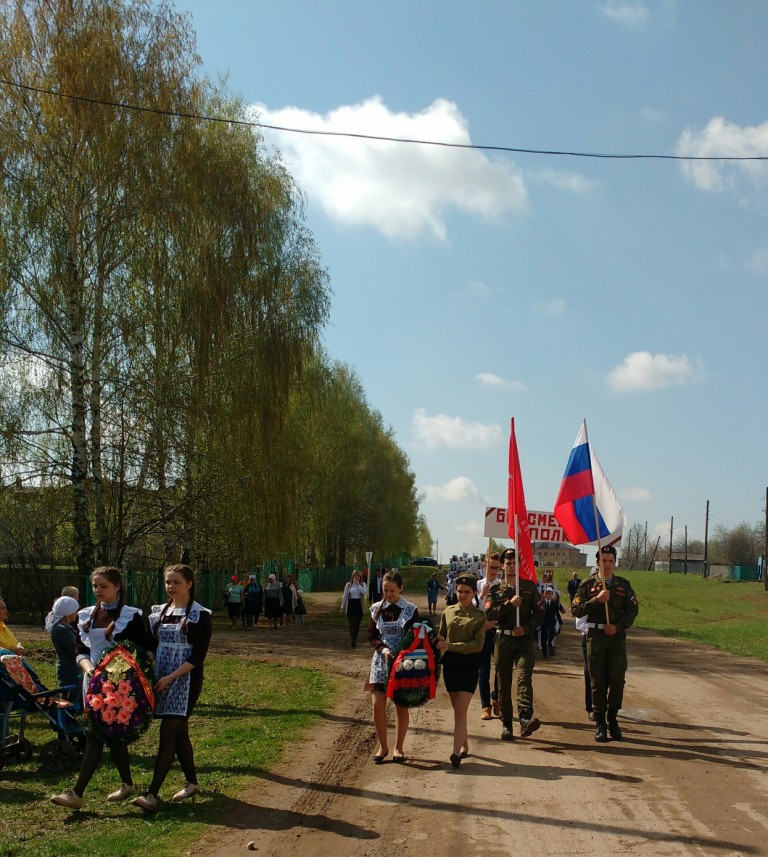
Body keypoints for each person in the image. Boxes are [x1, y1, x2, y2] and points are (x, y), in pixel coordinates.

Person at [51, 566, 154, 810]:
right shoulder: (86, 615)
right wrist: (89, 669)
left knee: (95, 736)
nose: (98, 590)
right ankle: (127, 783)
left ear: (117, 586)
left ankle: (76, 793)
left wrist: (137, 670)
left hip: (119, 686)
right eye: (95, 586)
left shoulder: (131, 615)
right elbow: (80, 650)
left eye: (103, 586)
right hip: (92, 682)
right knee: (112, 735)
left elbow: (147, 647)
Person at [131, 564, 212, 812]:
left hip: (185, 680)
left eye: (176, 582)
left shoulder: (201, 615)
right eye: (168, 582)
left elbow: (198, 656)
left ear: (189, 584)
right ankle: (192, 782)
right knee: (179, 734)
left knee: (168, 733)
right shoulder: (158, 613)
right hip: (161, 678)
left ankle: (151, 793)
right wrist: (150, 660)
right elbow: (151, 644)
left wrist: (171, 677)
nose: (171, 587)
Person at [571, 544, 639, 742]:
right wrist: (596, 601)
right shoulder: (587, 585)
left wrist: (618, 627)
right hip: (596, 637)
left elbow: (632, 610)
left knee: (617, 680)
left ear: (615, 562)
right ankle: (600, 723)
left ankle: (613, 718)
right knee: (597, 682)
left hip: (616, 638)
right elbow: (576, 610)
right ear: (597, 562)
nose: (607, 564)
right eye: (603, 561)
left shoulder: (623, 585)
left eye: (610, 561)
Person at [485, 548, 544, 741]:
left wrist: (527, 628)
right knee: (503, 682)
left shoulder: (528, 587)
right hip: (503, 640)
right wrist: (510, 604)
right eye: (508, 563)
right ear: (503, 565)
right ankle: (507, 723)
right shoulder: (495, 589)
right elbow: (490, 614)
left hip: (523, 640)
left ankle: (525, 717)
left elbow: (541, 613)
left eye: (514, 563)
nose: (511, 566)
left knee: (524, 677)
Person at [366, 570, 418, 764]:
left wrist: (402, 652)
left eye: (392, 591)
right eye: (385, 590)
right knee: (377, 704)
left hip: (403, 660)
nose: (388, 594)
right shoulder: (376, 609)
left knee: (400, 704)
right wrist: (384, 649)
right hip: (381, 660)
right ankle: (383, 747)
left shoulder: (410, 609)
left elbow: (414, 635)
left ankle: (398, 748)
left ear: (400, 588)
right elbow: (372, 636)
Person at [436, 573, 486, 768]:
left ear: (474, 592)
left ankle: (455, 752)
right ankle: (464, 744)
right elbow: (441, 637)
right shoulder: (448, 612)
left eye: (467, 592)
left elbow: (477, 645)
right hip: (451, 665)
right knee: (458, 711)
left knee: (459, 709)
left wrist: (450, 646)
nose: (462, 595)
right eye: (459, 591)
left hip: (469, 665)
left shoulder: (479, 616)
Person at [476, 553, 503, 720]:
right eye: (490, 567)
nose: (493, 570)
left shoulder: (503, 586)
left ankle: (496, 697)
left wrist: (495, 622)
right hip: (482, 632)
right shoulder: (478, 585)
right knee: (483, 670)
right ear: (485, 566)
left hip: (498, 631)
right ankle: (485, 705)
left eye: (496, 567)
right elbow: (472, 610)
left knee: (500, 669)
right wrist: (481, 596)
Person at [45, 595, 80, 701]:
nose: (76, 613)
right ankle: (63, 717)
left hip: (71, 668)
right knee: (69, 698)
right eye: (74, 611)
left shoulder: (65, 628)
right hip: (68, 670)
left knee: (74, 696)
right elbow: (74, 650)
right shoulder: (61, 630)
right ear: (67, 613)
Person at [340, 570, 367, 647]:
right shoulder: (348, 585)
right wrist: (342, 607)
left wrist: (358, 584)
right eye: (355, 575)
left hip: (359, 605)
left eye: (358, 576)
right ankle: (352, 640)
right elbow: (345, 596)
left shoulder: (363, 584)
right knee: (352, 623)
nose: (357, 577)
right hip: (351, 604)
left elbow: (364, 592)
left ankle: (355, 638)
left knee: (357, 624)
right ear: (353, 576)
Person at [539, 585, 565, 658]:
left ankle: (550, 646)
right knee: (543, 638)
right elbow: (538, 613)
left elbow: (557, 613)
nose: (548, 595)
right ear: (545, 594)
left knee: (551, 634)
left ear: (551, 595)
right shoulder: (542, 603)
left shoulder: (554, 604)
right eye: (547, 593)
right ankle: (544, 653)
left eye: (550, 593)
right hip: (543, 623)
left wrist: (560, 623)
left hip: (551, 622)